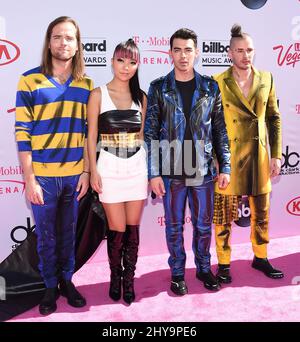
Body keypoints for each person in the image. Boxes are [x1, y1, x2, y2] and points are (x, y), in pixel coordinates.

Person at [15, 16, 94, 315]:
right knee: (46, 236)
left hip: (74, 176)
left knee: (68, 233)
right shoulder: (29, 80)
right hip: (43, 179)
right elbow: (22, 133)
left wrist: (86, 171)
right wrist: (30, 179)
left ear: (77, 45)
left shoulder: (86, 84)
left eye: (70, 38)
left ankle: (67, 280)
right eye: (58, 37)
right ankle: (49, 286)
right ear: (49, 42)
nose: (64, 43)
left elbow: (88, 133)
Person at [144, 28, 231, 296]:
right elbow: (149, 132)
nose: (183, 55)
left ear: (197, 52)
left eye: (188, 50)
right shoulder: (159, 87)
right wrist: (154, 173)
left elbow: (220, 129)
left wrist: (225, 165)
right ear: (170, 53)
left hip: (202, 168)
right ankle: (178, 273)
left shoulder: (210, 86)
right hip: (171, 169)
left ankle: (204, 269)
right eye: (178, 50)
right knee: (173, 226)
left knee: (204, 226)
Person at [213, 24, 283, 284]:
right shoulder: (217, 82)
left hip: (259, 155)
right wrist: (217, 161)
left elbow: (274, 118)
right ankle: (223, 263)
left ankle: (261, 257)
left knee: (261, 213)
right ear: (229, 53)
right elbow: (212, 125)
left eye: (250, 50)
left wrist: (275, 154)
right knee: (223, 217)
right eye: (239, 50)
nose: (245, 55)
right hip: (228, 158)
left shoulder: (267, 78)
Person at [87, 39, 147, 305]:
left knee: (133, 229)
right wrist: (91, 171)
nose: (126, 67)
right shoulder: (98, 94)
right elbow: (90, 138)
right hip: (108, 168)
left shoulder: (141, 97)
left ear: (137, 65)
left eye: (132, 61)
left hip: (136, 168)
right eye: (121, 60)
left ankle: (129, 280)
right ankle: (115, 277)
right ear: (112, 61)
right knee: (117, 229)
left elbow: (144, 137)